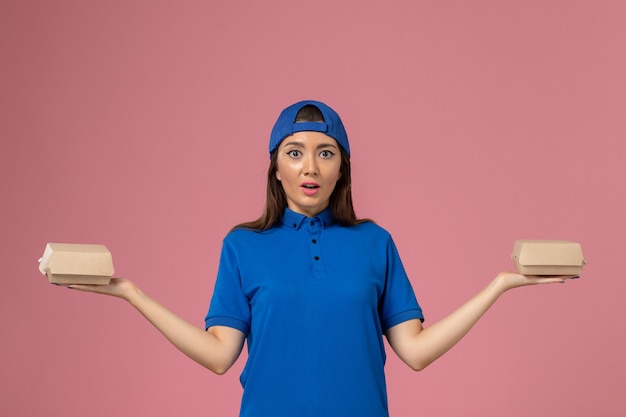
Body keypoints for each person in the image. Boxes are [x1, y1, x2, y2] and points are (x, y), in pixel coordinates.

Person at [68, 100, 577, 417]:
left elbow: (416, 352)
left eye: (325, 152)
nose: (310, 166)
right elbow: (220, 355)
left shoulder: (374, 242)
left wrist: (499, 285)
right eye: (294, 152)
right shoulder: (243, 246)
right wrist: (129, 293)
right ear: (275, 169)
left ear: (341, 170)